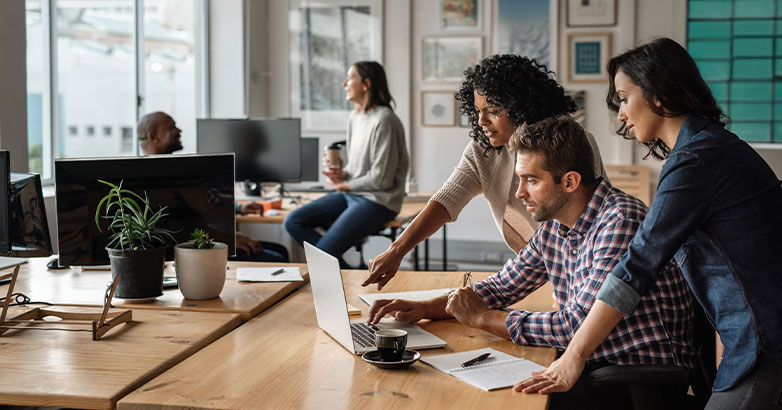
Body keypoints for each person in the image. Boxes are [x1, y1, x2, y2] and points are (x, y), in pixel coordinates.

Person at [517, 38, 782, 410]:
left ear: (658, 92)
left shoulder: (696, 161)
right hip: (752, 335)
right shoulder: (707, 149)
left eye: (624, 98)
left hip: (765, 338)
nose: (621, 114)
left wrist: (574, 355)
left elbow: (637, 265)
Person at [368, 116, 695, 409]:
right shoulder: (558, 223)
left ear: (569, 182)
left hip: (631, 375)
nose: (520, 193)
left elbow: (573, 327)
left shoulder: (618, 221)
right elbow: (503, 285)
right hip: (592, 363)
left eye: (531, 181)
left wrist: (483, 319)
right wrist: (427, 307)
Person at [363, 54, 606, 290]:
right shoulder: (484, 150)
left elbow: (589, 219)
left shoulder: (571, 142)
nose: (481, 121)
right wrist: (396, 251)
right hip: (533, 267)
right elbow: (446, 200)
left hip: (583, 265)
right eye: (478, 110)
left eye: (493, 110)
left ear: (522, 106)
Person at [284, 61, 408, 268]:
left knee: (323, 253)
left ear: (366, 84)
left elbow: (382, 179)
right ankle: (346, 272)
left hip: (378, 201)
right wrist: (341, 175)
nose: (344, 83)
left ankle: (336, 271)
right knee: (293, 221)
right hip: (352, 195)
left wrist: (344, 185)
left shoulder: (385, 120)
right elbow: (357, 169)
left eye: (350, 78)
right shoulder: (355, 117)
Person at [137, 111, 288, 262]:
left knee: (280, 250)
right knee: (276, 258)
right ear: (153, 137)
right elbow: (178, 229)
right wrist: (227, 240)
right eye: (172, 127)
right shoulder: (150, 178)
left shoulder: (173, 169)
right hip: (191, 249)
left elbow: (200, 208)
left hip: (206, 238)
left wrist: (239, 210)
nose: (179, 131)